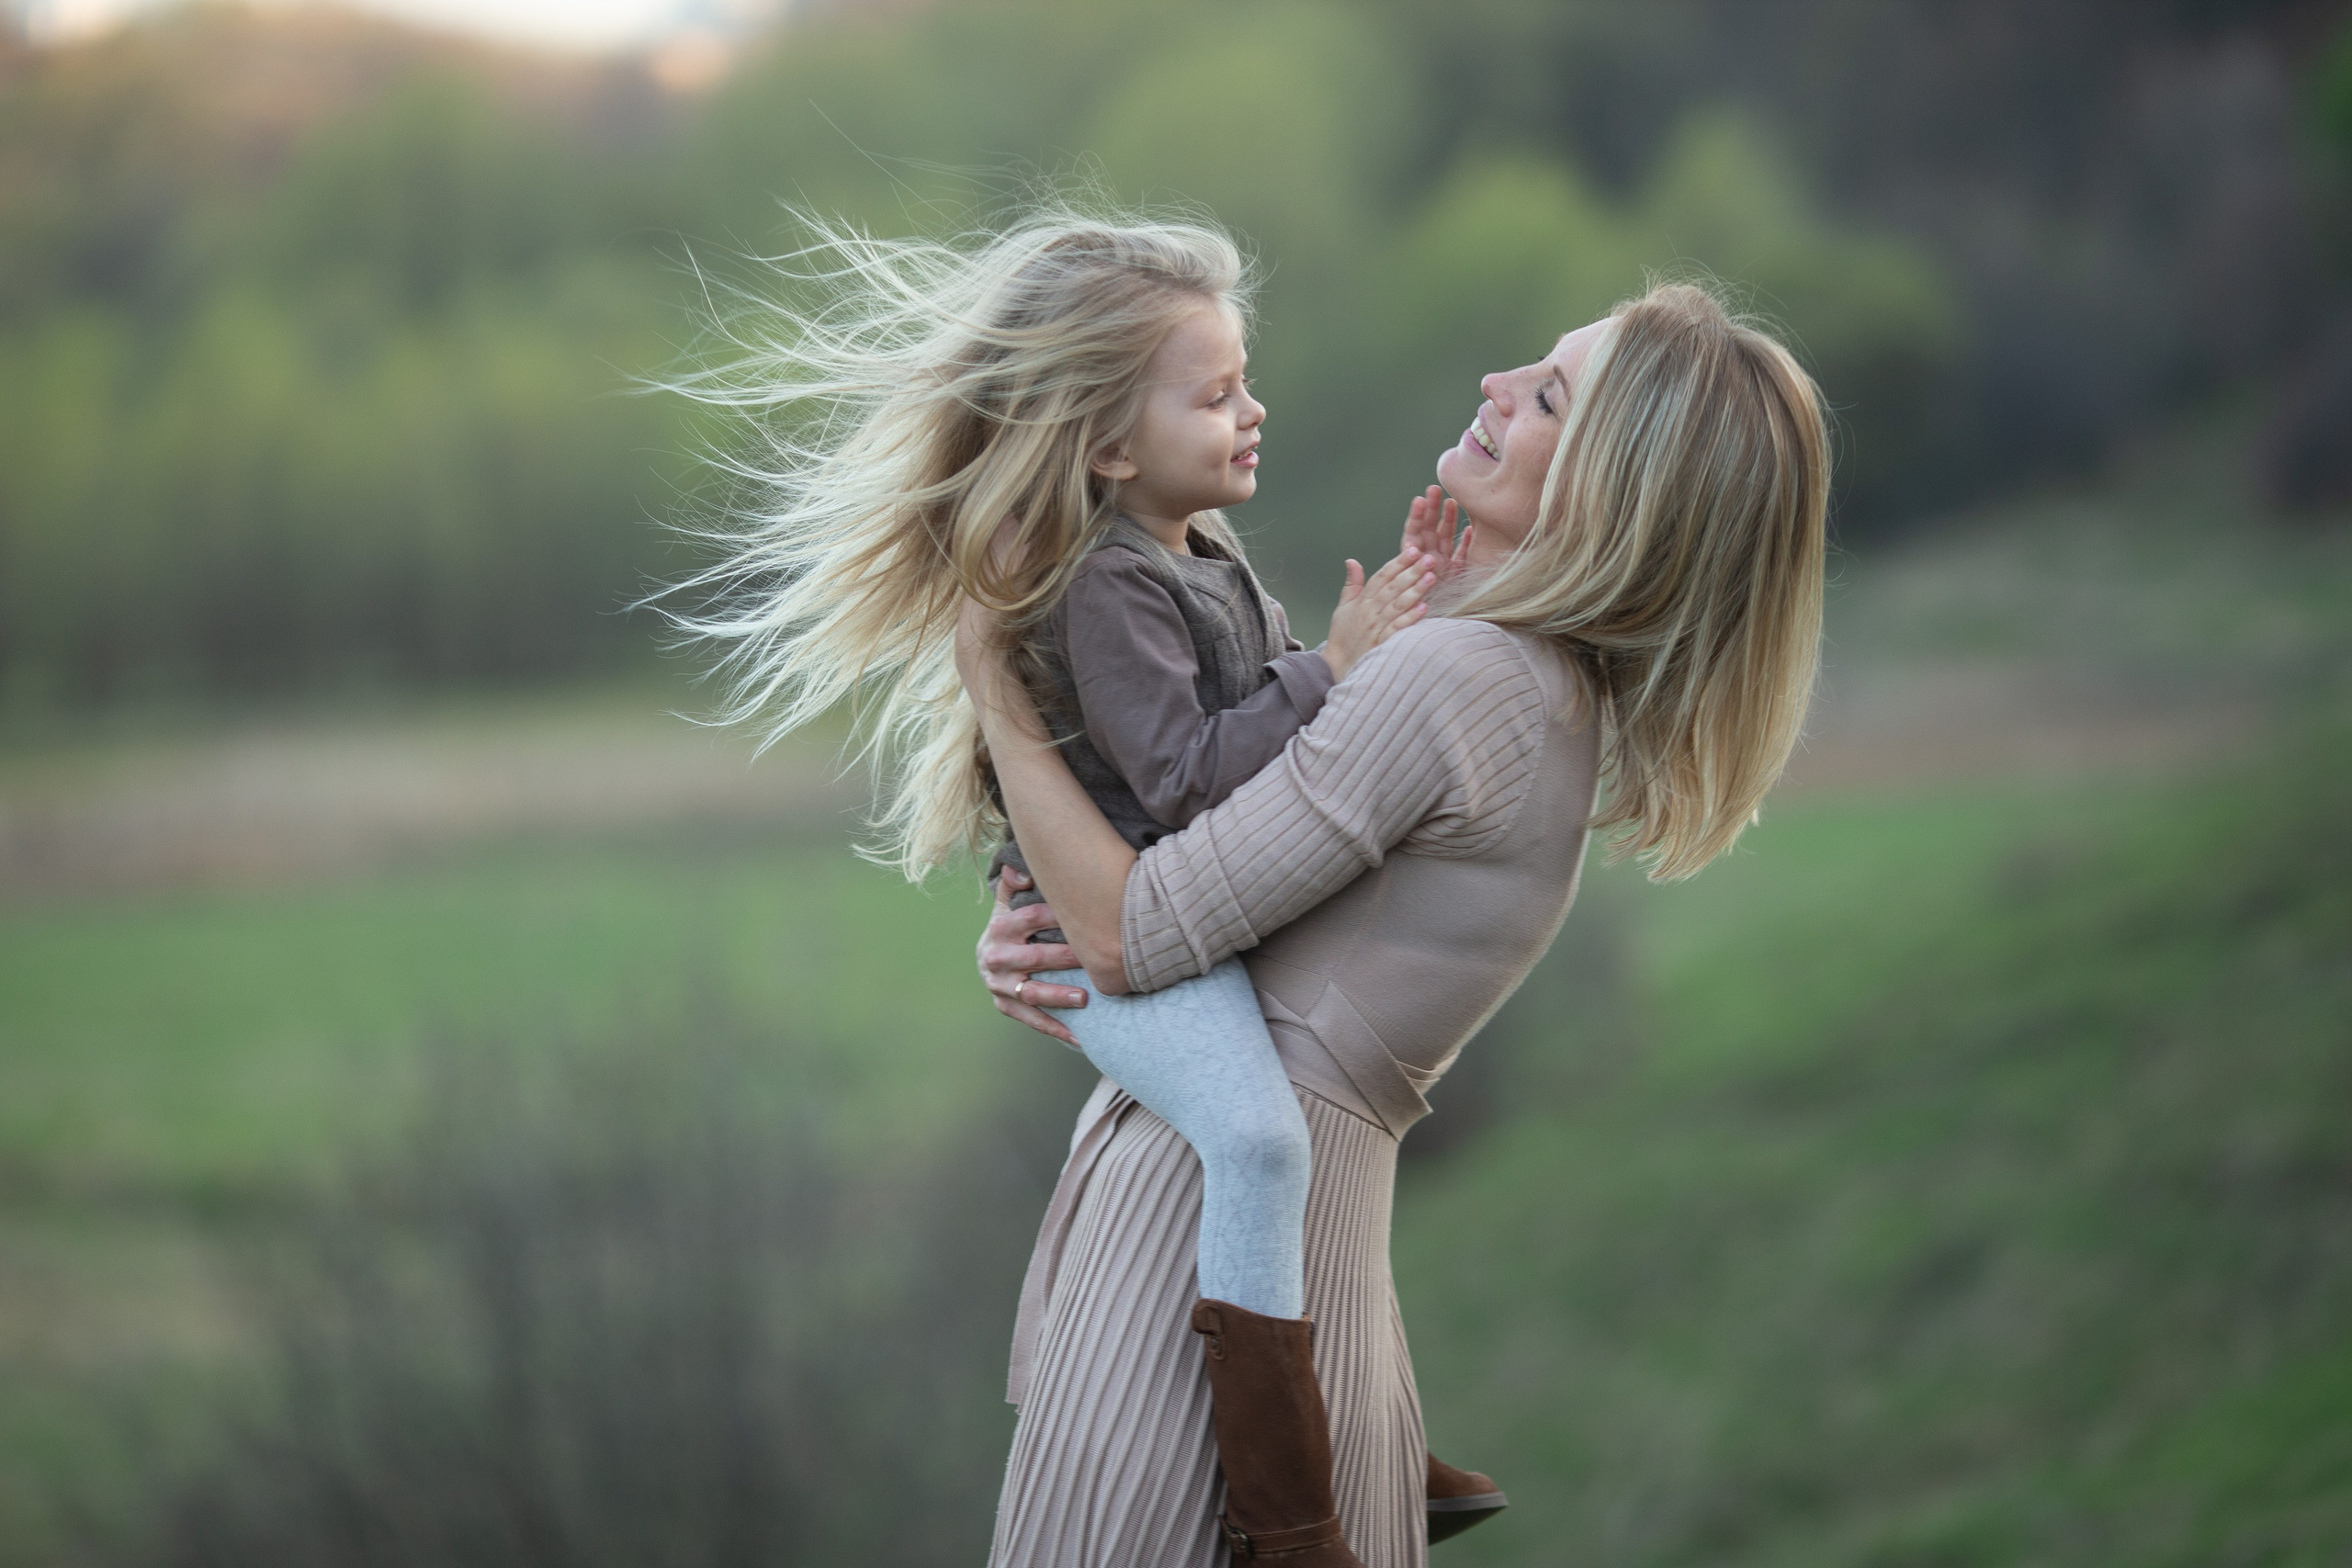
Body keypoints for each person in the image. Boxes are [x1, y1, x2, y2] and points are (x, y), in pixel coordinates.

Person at [966, 280, 1833, 1568]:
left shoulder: (1455, 679)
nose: (1496, 384)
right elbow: (1203, 903)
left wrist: (998, 696)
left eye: (1548, 396)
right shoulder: (1541, 690)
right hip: (1302, 1250)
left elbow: (1133, 934)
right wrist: (1026, 912)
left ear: (1613, 487)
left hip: (1201, 1242)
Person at [657, 209, 1450, 1564]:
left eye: (1246, 380)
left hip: (1181, 928)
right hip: (1109, 949)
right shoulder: (1108, 587)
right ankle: (1290, 1509)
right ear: (1105, 441)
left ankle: (1356, 1428)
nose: (1252, 411)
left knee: (1324, 1124)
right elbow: (1196, 777)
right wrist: (1339, 667)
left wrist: (1339, 667)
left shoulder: (1195, 551)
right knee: (1262, 1141)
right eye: (1215, 394)